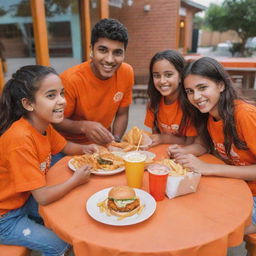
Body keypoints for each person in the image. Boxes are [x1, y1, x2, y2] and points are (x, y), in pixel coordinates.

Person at [0, 65, 98, 255]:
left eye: (62, 93)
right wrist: (75, 180)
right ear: (28, 104)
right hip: (5, 217)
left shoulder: (43, 124)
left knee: (70, 216)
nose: (62, 101)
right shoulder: (20, 139)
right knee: (60, 244)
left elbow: (67, 147)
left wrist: (86, 148)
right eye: (51, 96)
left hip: (24, 200)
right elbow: (43, 196)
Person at [171, 56, 256, 235]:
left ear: (221, 85)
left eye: (202, 88)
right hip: (236, 187)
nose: (196, 97)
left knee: (216, 227)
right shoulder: (209, 115)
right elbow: (203, 146)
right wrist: (182, 152)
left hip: (252, 195)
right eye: (189, 91)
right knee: (186, 209)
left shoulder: (244, 115)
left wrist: (207, 168)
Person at [54, 18, 134, 147]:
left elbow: (122, 114)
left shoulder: (127, 72)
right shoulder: (70, 79)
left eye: (117, 52)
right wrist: (84, 126)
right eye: (103, 50)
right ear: (91, 50)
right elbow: (56, 121)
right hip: (68, 145)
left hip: (104, 144)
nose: (109, 59)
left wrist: (116, 140)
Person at [144, 50, 205, 155]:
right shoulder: (153, 105)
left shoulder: (190, 105)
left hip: (186, 155)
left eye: (168, 75)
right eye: (157, 75)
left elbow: (189, 142)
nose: (162, 81)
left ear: (181, 76)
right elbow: (155, 137)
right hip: (163, 155)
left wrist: (163, 138)